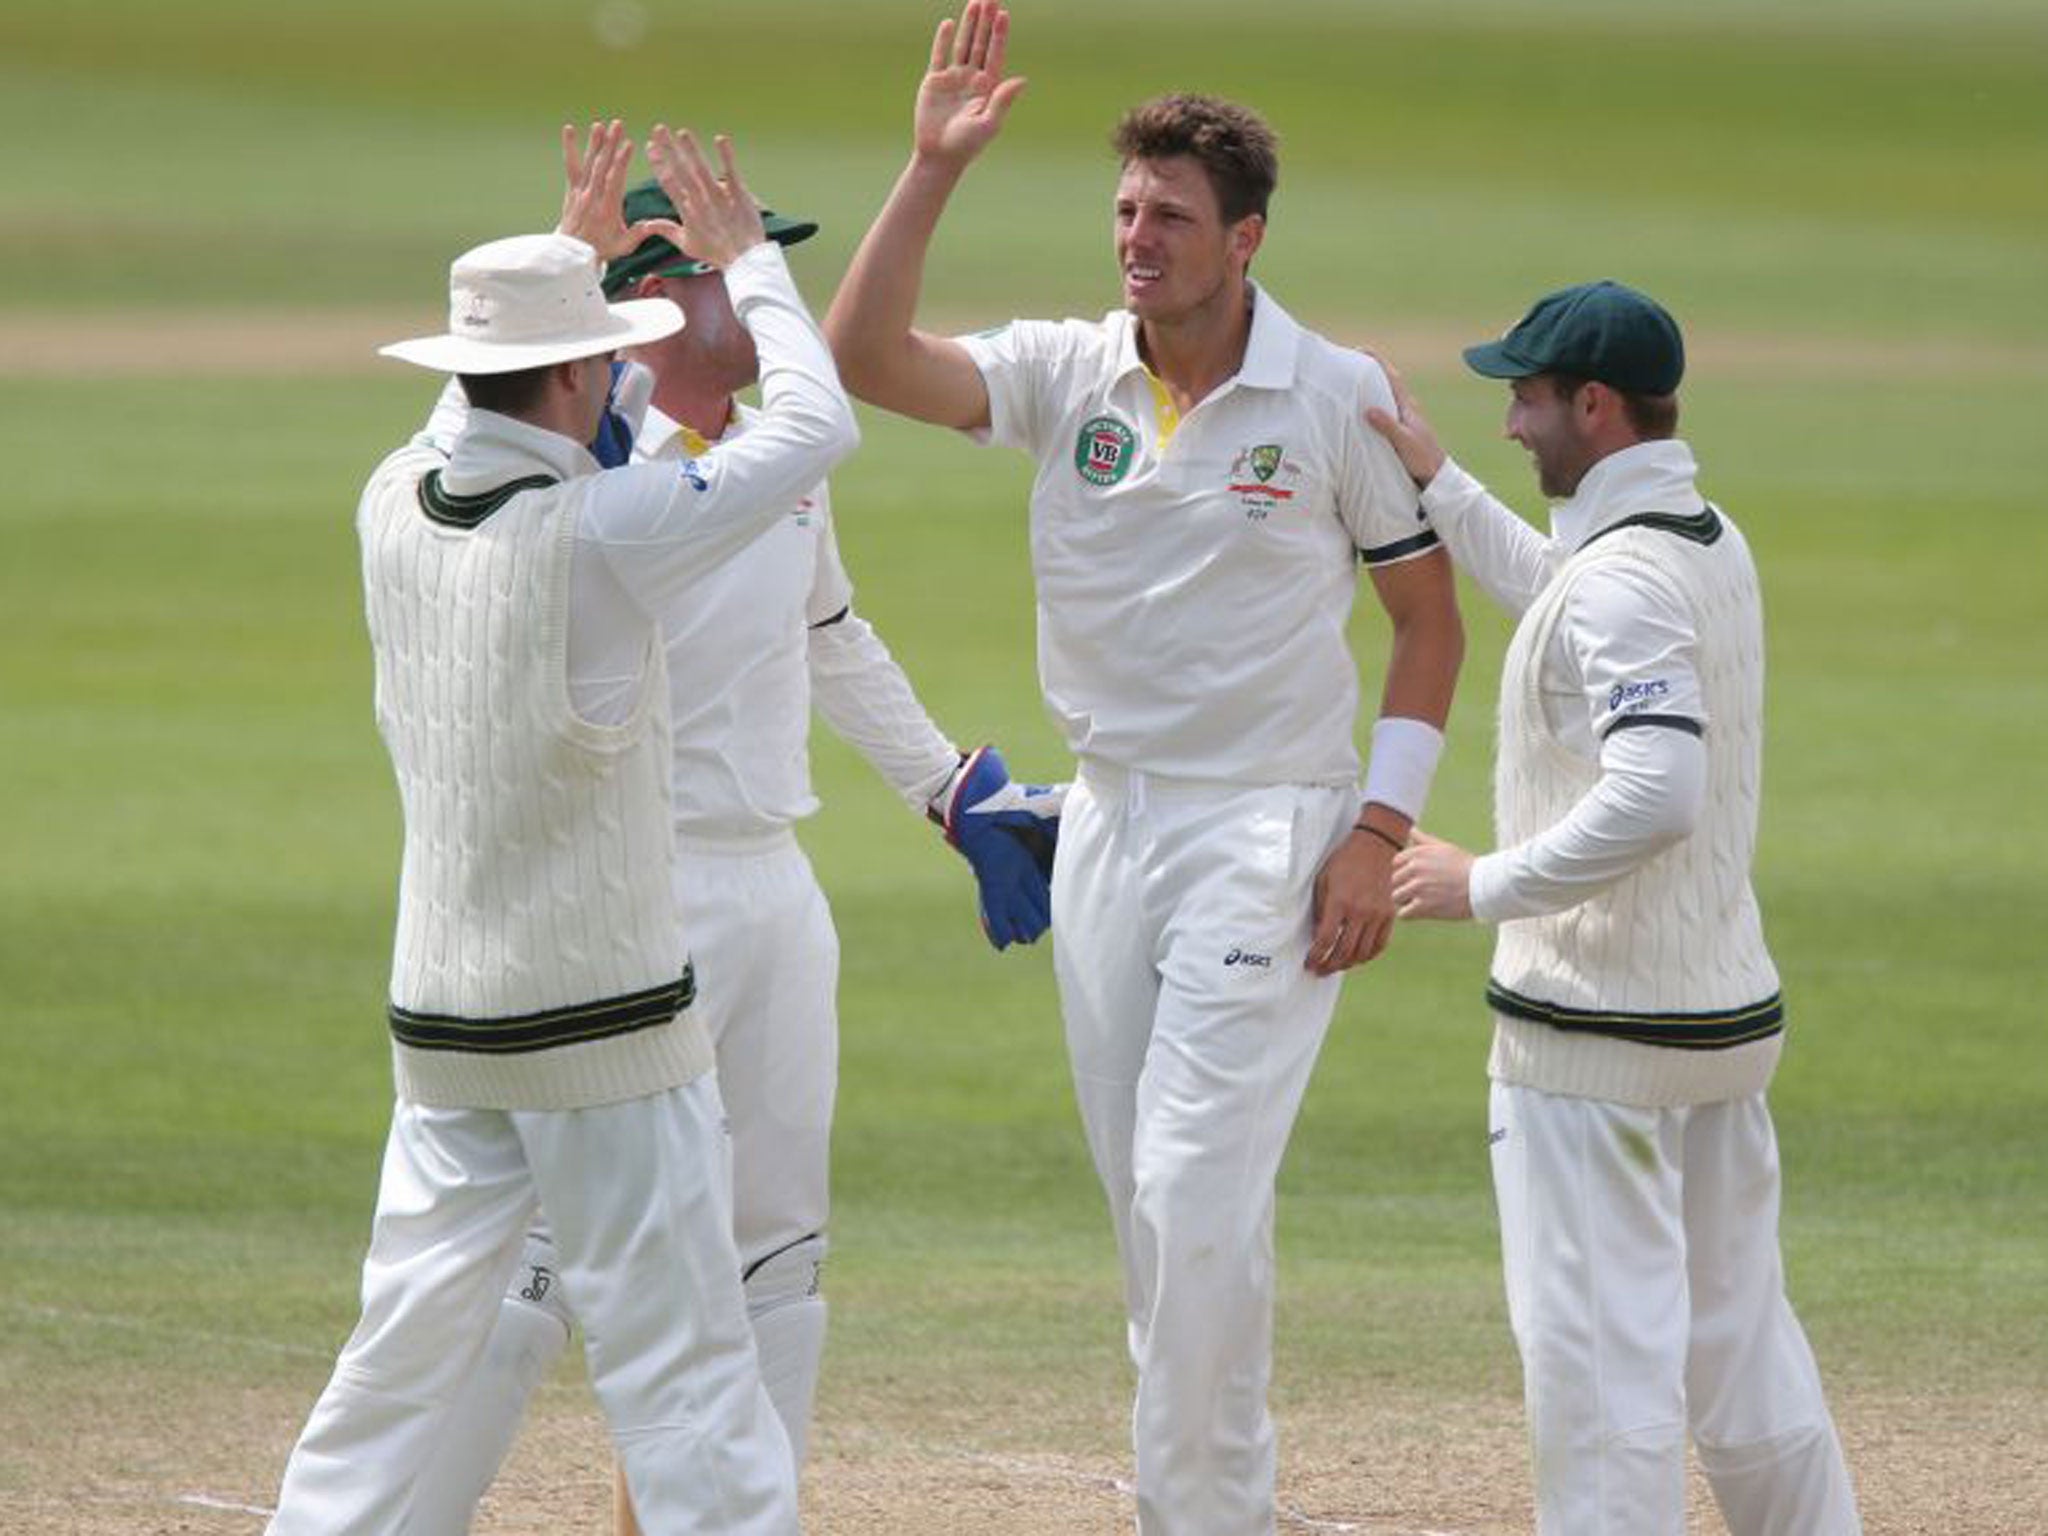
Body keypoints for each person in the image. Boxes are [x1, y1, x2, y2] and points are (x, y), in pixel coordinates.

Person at [823, 6, 1465, 1531]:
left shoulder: (1332, 394)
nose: (1137, 237)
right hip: (1106, 824)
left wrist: (1380, 829)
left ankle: (1196, 1510)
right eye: (1123, 209)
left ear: (1243, 239)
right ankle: (1208, 1490)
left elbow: (1426, 625)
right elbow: (862, 360)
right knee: (1154, 1209)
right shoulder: (1065, 371)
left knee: (1192, 1194)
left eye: (1170, 216)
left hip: (1271, 828)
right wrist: (929, 170)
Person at [405, 145, 1063, 1534]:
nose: (776, 297)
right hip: (622, 901)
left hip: (770, 888)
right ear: (652, 297)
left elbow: (828, 632)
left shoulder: (768, 462)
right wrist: (564, 261)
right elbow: (469, 434)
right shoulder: (594, 473)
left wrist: (952, 793)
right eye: (740, 263)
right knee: (537, 1276)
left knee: (772, 1267)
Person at [262, 123, 856, 1535]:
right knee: (689, 1378)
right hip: (603, 1026)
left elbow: (473, 411)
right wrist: (751, 265)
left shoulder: (389, 500)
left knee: (398, 1365)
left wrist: (569, 261)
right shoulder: (609, 530)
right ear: (586, 374)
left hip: (443, 1028)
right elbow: (816, 426)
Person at [1373, 279, 1862, 1534]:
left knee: (1598, 1388)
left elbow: (1656, 791)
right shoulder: (1696, 534)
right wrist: (1434, 481)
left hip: (1596, 1040)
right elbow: (1561, 592)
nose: (1509, 424)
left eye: (1524, 400)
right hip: (1716, 1023)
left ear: (1591, 405)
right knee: (1741, 1355)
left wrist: (1475, 884)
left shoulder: (1621, 582)